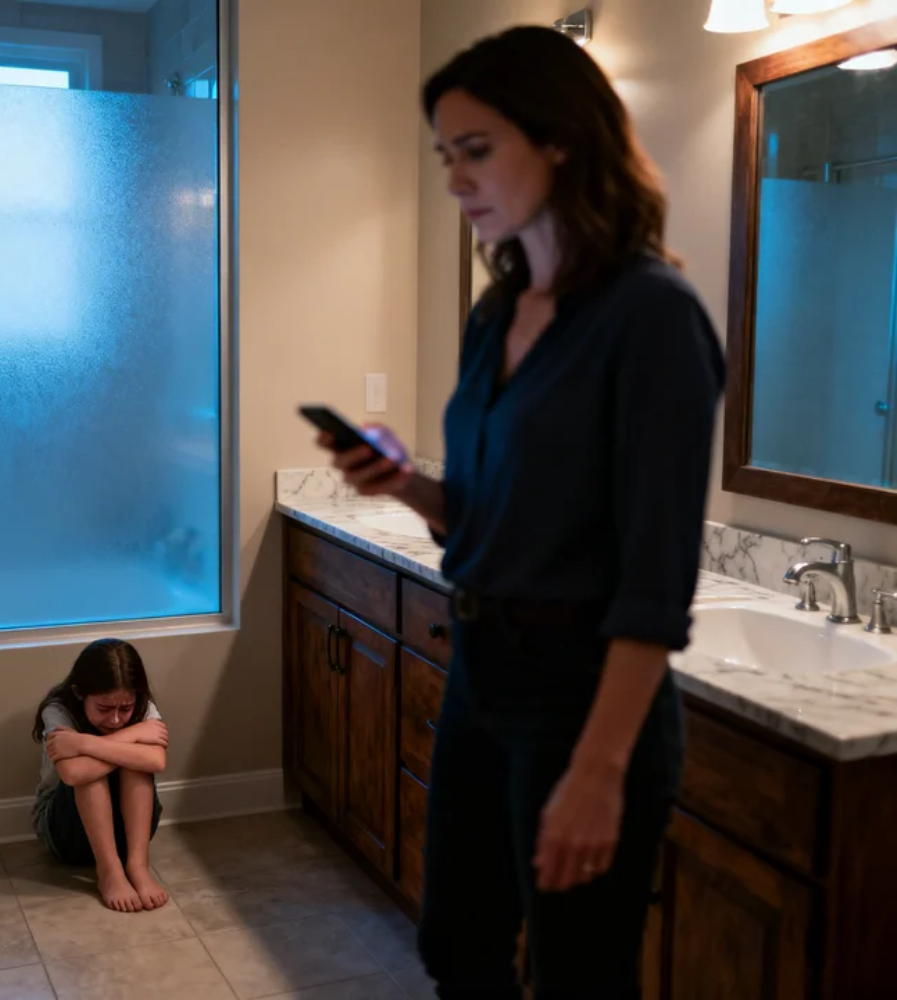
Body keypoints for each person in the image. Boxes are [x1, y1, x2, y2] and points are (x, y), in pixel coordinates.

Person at [315, 25, 725, 1000]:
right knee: (456, 949)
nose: (456, 179)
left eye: (477, 149)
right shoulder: (495, 314)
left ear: (561, 142)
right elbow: (484, 520)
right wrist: (400, 482)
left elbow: (654, 581)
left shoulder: (650, 316)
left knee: (578, 977)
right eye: (445, 155)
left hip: (584, 694)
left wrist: (599, 770)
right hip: (481, 674)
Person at [31, 638, 170, 913]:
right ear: (79, 693)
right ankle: (109, 871)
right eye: (104, 709)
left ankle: (137, 866)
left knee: (134, 764)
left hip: (130, 835)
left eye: (125, 709)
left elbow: (156, 761)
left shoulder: (142, 705)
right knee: (94, 772)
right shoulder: (58, 710)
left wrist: (83, 743)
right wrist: (133, 738)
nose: (116, 719)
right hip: (66, 833)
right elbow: (73, 774)